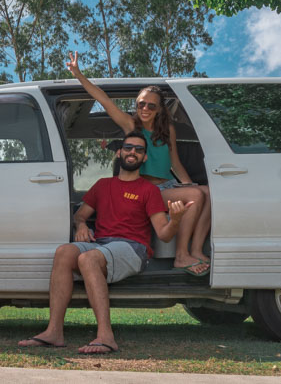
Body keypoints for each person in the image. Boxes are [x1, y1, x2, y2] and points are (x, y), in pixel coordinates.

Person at [18, 131, 194, 354]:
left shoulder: (148, 190)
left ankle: (106, 337)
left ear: (145, 158)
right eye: (129, 147)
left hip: (133, 248)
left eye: (139, 150)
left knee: (88, 258)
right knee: (64, 252)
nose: (133, 152)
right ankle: (54, 332)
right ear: (119, 152)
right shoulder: (102, 185)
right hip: (102, 244)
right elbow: (80, 215)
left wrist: (176, 219)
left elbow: (164, 234)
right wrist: (81, 225)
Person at [66, 51, 212, 275]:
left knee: (207, 193)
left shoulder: (167, 130)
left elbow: (176, 164)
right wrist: (79, 74)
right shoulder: (130, 125)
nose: (145, 109)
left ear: (159, 109)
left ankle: (196, 250)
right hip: (149, 190)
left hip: (169, 186)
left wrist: (189, 184)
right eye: (141, 104)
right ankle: (181, 256)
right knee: (196, 196)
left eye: (151, 106)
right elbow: (103, 99)